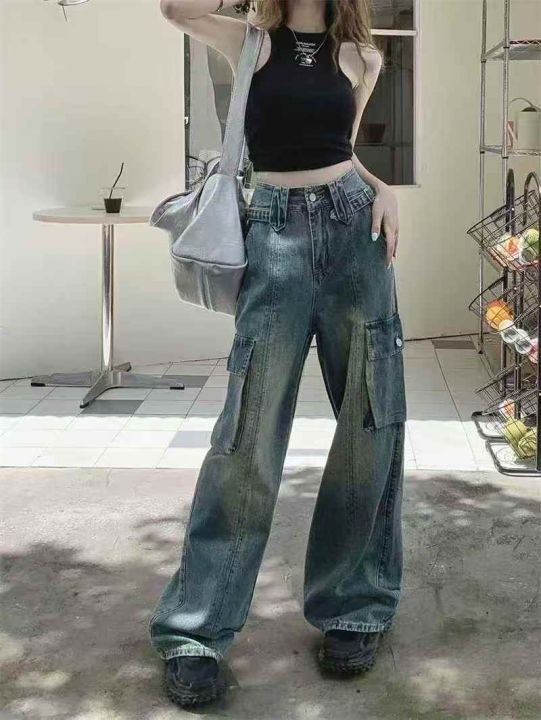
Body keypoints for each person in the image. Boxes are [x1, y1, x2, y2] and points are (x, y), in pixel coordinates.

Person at [150, 0, 406, 707]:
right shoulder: (250, 41)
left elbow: (342, 150)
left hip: (355, 235)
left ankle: (355, 608)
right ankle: (197, 630)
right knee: (247, 435)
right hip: (274, 235)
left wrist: (382, 187)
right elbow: (175, 8)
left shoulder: (362, 57)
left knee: (369, 424)